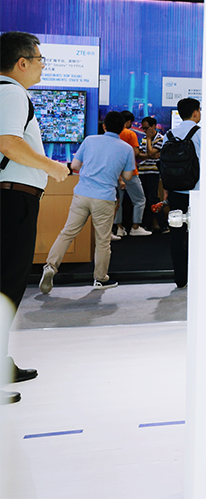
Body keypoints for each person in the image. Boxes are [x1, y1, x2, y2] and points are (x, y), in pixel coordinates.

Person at [0, 32, 70, 405]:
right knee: (6, 287)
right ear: (22, 62)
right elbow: (9, 143)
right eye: (40, 59)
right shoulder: (11, 93)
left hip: (11, 199)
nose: (43, 66)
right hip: (12, 201)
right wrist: (52, 167)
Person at [40, 110, 136, 294]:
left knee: (67, 233)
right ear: (123, 128)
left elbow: (75, 166)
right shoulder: (126, 148)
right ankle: (100, 278)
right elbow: (128, 176)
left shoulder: (90, 140)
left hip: (82, 194)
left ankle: (51, 266)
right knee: (103, 241)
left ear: (104, 126)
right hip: (105, 198)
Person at [167, 97, 200, 289]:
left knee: (177, 235)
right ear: (195, 113)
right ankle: (197, 275)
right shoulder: (201, 133)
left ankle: (180, 278)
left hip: (175, 191)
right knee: (198, 234)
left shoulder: (169, 134)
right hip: (196, 192)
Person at [112, 110, 150, 238]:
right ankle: (135, 227)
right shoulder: (130, 133)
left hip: (116, 173)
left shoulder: (114, 135)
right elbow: (135, 153)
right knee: (140, 200)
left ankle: (119, 228)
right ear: (128, 122)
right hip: (130, 172)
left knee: (118, 202)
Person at [137, 116, 167, 232]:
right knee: (145, 199)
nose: (145, 131)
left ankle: (162, 224)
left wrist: (149, 140)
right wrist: (150, 155)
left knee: (153, 198)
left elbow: (149, 152)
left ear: (154, 126)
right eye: (143, 128)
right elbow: (141, 154)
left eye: (147, 128)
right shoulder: (144, 139)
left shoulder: (160, 139)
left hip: (153, 172)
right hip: (142, 170)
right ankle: (147, 224)